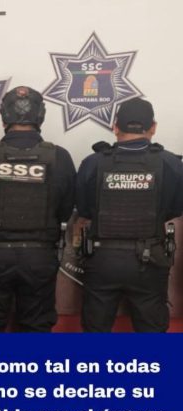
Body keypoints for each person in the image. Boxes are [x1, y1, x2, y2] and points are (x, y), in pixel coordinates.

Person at [0, 86, 76, 332]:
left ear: (4, 116)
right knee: (36, 328)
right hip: (40, 256)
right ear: (41, 116)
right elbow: (66, 209)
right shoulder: (60, 157)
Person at [77, 97, 183, 332]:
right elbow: (176, 209)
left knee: (95, 334)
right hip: (150, 259)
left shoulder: (92, 163)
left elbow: (83, 210)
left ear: (115, 127)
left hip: (102, 258)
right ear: (153, 127)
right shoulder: (171, 164)